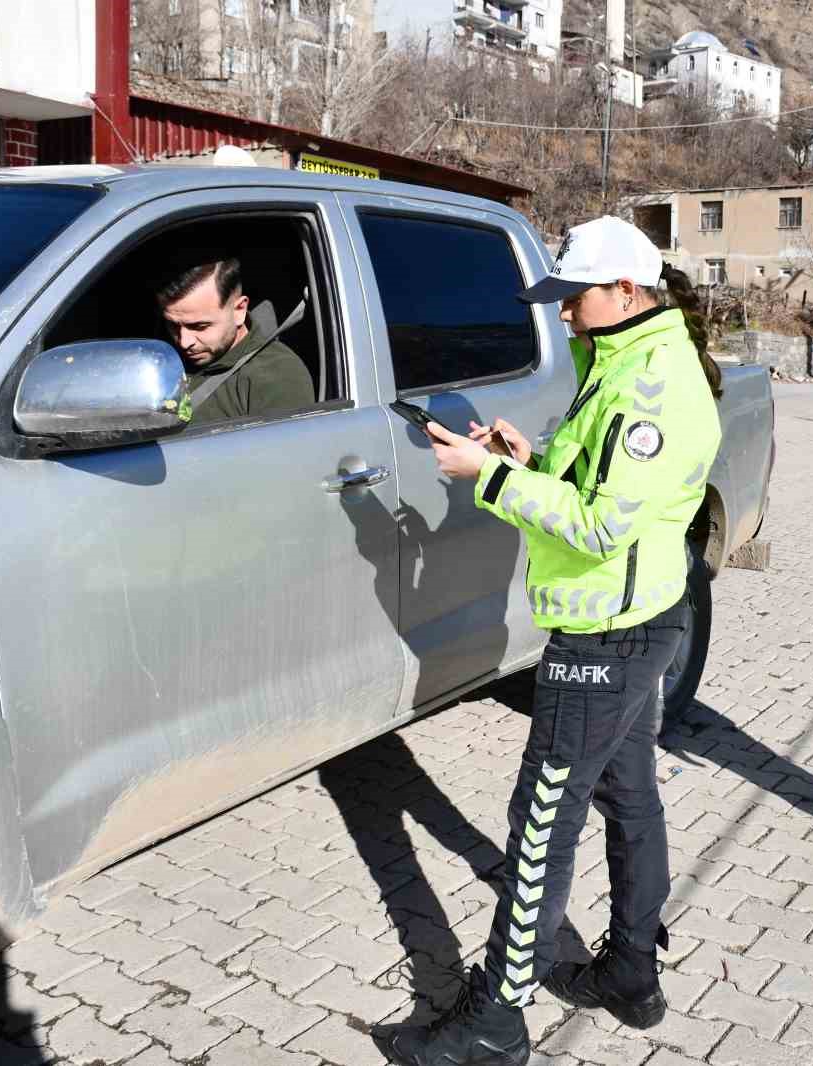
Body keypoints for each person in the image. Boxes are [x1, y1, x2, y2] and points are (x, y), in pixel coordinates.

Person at [372, 216, 723, 1066]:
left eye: (575, 298)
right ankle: (632, 977)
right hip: (634, 623)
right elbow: (593, 481)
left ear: (628, 293)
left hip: (607, 633)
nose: (563, 316)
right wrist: (523, 461)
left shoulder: (653, 393)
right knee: (629, 796)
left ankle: (497, 1016)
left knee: (542, 819)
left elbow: (603, 527)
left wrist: (486, 476)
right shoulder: (627, 361)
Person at [154, 253, 313, 424]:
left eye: (199, 326)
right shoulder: (159, 357)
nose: (184, 342)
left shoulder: (276, 375)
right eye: (173, 325)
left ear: (239, 311)